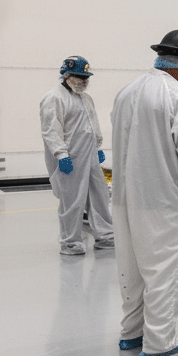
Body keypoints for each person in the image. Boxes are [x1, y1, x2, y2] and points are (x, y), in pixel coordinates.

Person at [111, 30, 178, 356]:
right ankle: (160, 341)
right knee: (167, 270)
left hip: (126, 199)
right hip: (165, 200)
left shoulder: (126, 92)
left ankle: (131, 333)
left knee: (132, 267)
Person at [39, 56, 114, 255]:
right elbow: (51, 130)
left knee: (100, 195)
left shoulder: (86, 98)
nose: (83, 81)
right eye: (79, 77)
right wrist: (61, 154)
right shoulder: (54, 97)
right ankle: (70, 242)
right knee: (72, 201)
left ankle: (105, 236)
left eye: (85, 77)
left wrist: (98, 147)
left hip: (89, 156)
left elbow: (93, 124)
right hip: (70, 158)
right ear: (66, 75)